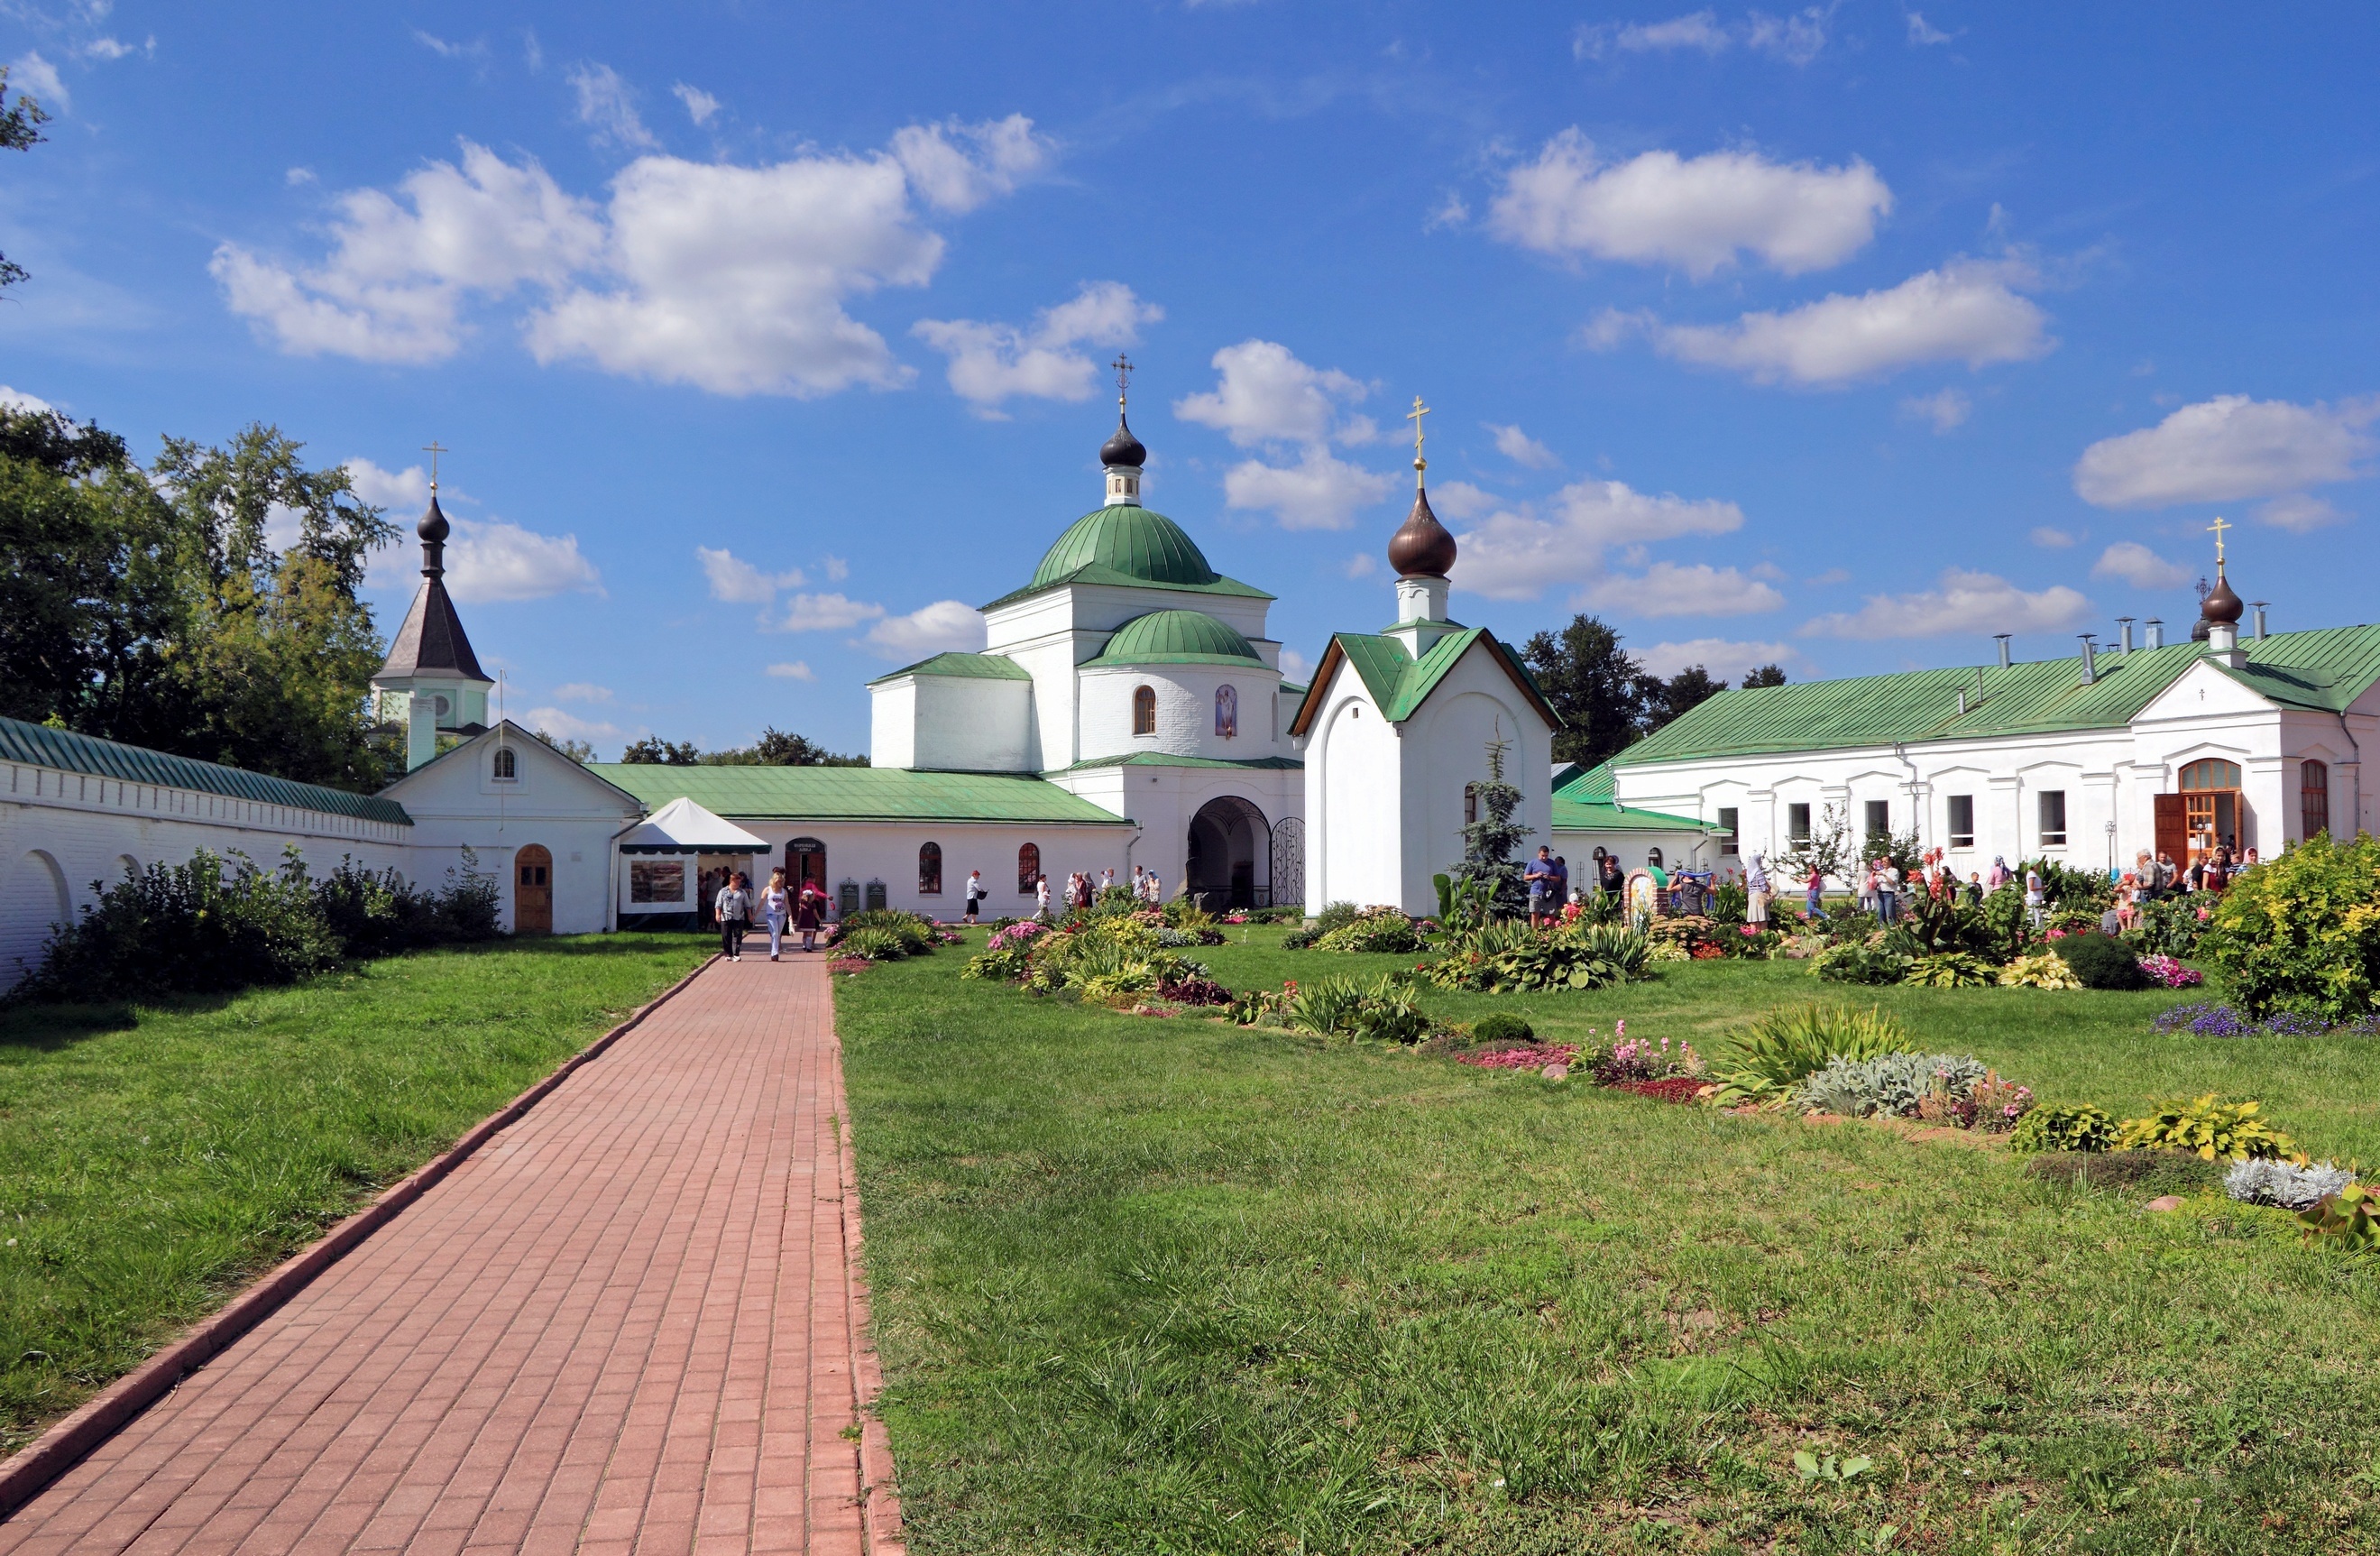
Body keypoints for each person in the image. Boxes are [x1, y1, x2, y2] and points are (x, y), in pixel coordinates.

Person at [716, 871, 752, 962]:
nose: (738, 884)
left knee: (737, 936)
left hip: (738, 917)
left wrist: (750, 915)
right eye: (737, 882)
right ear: (731, 881)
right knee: (726, 935)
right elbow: (718, 904)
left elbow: (747, 905)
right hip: (726, 917)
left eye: (739, 882)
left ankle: (736, 954)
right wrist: (717, 914)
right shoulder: (723, 891)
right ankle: (728, 953)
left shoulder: (742, 892)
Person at [760, 868, 791, 962]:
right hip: (771, 914)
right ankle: (775, 953)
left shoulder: (784, 891)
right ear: (774, 881)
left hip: (781, 915)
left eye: (782, 881)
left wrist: (791, 917)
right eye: (779, 881)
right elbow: (761, 902)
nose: (780, 883)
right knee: (774, 933)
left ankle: (775, 951)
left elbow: (787, 904)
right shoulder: (768, 889)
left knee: (778, 934)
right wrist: (754, 915)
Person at [1524, 846, 1556, 926]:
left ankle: (1552, 934)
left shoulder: (1552, 863)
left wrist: (1549, 877)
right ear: (1539, 854)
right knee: (1535, 914)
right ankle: (1535, 934)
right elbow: (1526, 877)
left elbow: (1558, 878)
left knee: (1551, 914)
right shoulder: (1532, 863)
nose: (1544, 857)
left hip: (1548, 893)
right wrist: (1536, 875)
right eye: (1542, 855)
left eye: (1546, 856)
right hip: (1535, 892)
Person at [795, 881, 823, 953]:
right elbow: (815, 913)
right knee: (809, 933)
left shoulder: (802, 904)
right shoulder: (813, 905)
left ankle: (804, 945)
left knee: (804, 933)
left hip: (804, 921)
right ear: (810, 897)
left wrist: (798, 921)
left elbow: (800, 913)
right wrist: (820, 920)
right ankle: (809, 947)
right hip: (810, 921)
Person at [1745, 852, 1770, 929]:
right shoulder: (1758, 872)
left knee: (1753, 918)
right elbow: (1763, 886)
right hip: (1759, 895)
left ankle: (1753, 937)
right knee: (1762, 918)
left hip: (1751, 895)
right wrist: (1768, 891)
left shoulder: (1749, 873)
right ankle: (1763, 935)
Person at [1875, 857, 1899, 925]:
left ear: (1890, 861)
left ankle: (1893, 929)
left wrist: (1884, 875)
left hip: (1889, 894)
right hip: (1880, 894)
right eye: (1882, 862)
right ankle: (1882, 929)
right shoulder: (1880, 871)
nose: (1884, 863)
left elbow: (1892, 882)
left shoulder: (1894, 871)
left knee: (1890, 914)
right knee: (1881, 914)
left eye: (1886, 861)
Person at [2023, 863, 2045, 929]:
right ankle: (2036, 930)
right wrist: (2041, 888)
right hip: (2033, 898)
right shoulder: (2031, 874)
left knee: (2036, 914)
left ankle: (2038, 929)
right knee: (2035, 914)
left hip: (2036, 897)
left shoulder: (2034, 873)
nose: (2039, 866)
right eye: (2037, 864)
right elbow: (2031, 888)